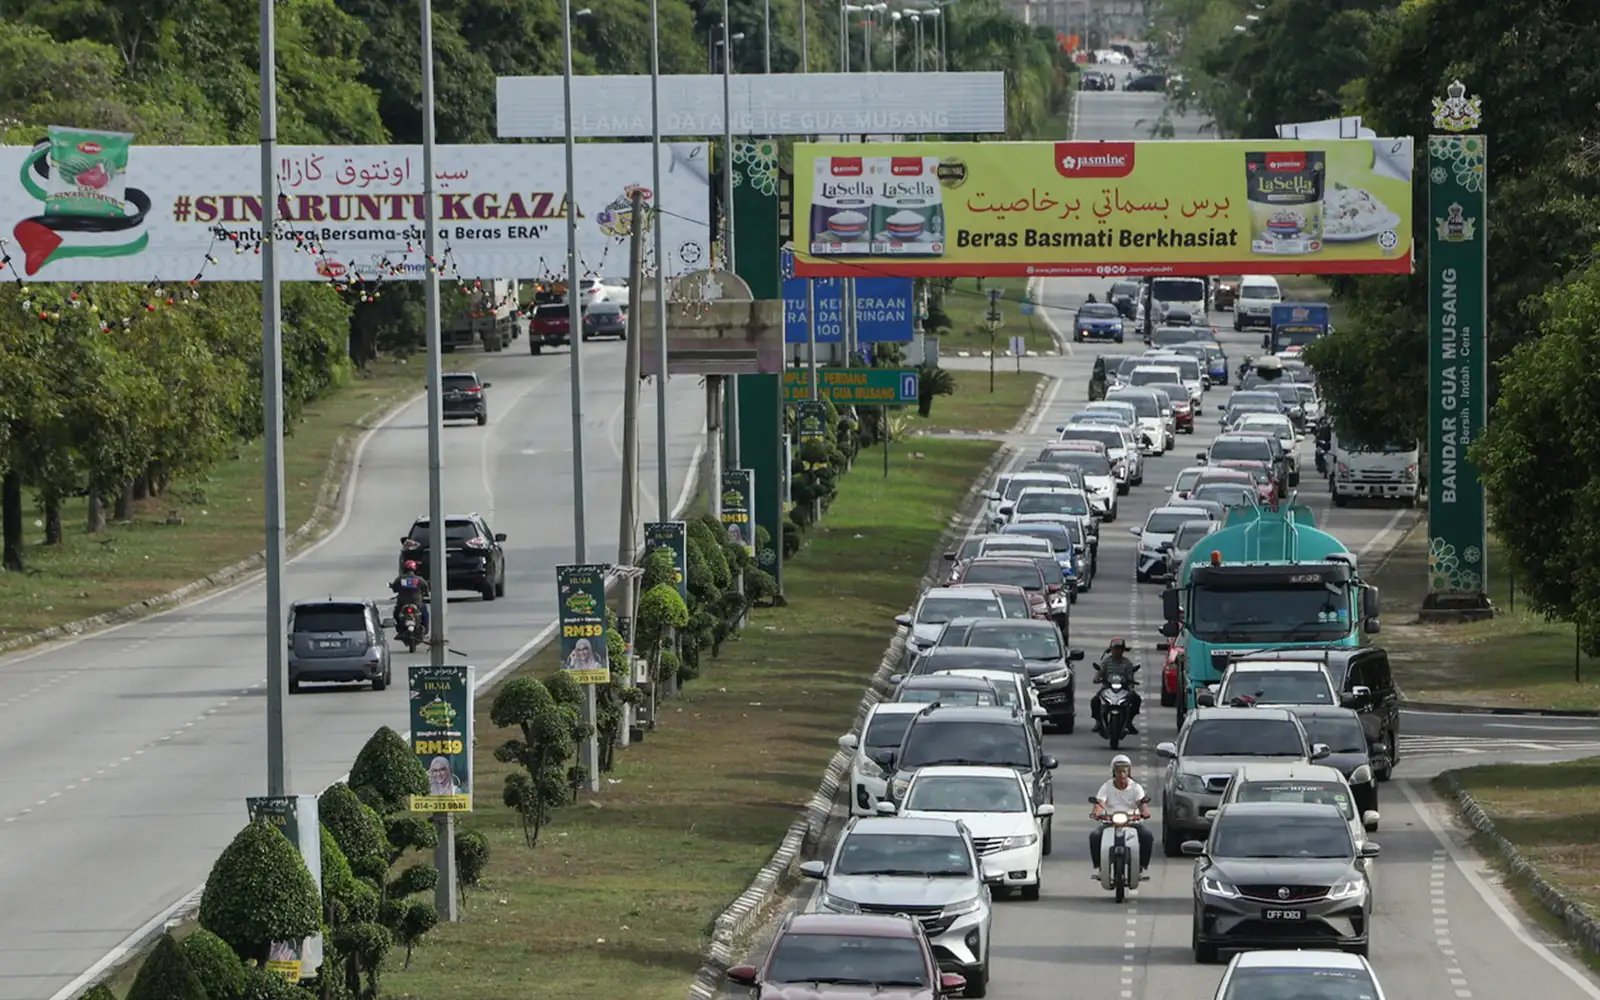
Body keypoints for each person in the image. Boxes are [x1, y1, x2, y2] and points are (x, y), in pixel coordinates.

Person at [1090, 755, 1154, 880]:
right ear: (1114, 771)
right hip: (1110, 821)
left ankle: (1141, 866)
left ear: (1129, 772)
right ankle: (1100, 867)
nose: (1122, 774)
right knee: (1094, 836)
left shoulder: (1136, 787)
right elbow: (1100, 803)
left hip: (1132, 822)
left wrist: (1144, 812)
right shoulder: (1106, 786)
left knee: (1147, 836)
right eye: (1119, 770)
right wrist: (1096, 812)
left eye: (1125, 770)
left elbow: (1142, 804)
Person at [1091, 637, 1142, 735]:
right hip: (1107, 688)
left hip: (1123, 689)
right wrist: (1097, 678)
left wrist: (1131, 684)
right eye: (1115, 649)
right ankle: (1098, 722)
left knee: (1136, 699)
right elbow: (1100, 672)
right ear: (1111, 649)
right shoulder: (1106, 662)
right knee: (1095, 700)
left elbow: (1130, 676)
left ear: (1123, 650)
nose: (1117, 651)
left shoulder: (1127, 663)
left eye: (1119, 649)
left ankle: (1129, 722)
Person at [389, 560, 430, 631]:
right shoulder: (419, 579)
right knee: (425, 614)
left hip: (402, 603)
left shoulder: (400, 579)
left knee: (396, 614)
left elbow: (395, 589)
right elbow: (426, 589)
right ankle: (425, 629)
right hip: (417, 603)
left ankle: (399, 628)